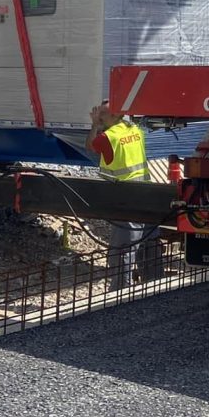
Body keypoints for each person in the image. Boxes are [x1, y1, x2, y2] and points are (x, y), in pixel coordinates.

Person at [89, 103, 148, 289]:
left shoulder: (109, 137)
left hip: (124, 196)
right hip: (146, 191)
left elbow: (90, 146)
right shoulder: (135, 129)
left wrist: (94, 125)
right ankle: (155, 285)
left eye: (102, 114)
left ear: (114, 115)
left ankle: (120, 293)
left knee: (122, 250)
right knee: (147, 243)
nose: (100, 116)